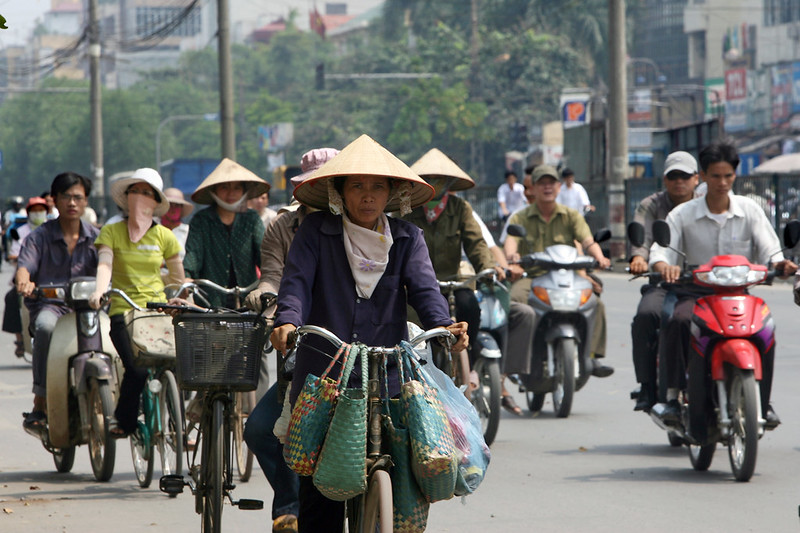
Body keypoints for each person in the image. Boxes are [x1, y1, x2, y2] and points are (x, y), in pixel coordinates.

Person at [270, 134, 468, 533]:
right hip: (324, 373)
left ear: (392, 192)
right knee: (319, 498)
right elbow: (295, 284)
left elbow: (426, 290)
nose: (367, 196)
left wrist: (444, 326)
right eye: (357, 186)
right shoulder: (314, 232)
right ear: (339, 192)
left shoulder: (408, 238)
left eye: (377, 186)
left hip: (388, 372)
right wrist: (287, 321)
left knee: (400, 473)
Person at [649, 141, 796, 430]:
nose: (722, 183)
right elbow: (661, 251)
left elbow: (770, 250)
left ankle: (763, 402)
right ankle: (671, 396)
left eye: (728, 176)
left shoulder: (750, 210)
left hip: (737, 293)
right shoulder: (682, 215)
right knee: (678, 320)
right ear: (702, 176)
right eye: (715, 176)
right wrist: (663, 265)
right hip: (695, 292)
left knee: (765, 328)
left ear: (735, 176)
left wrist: (781, 265)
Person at [241, 147, 338, 533]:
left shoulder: (358, 224)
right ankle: (290, 506)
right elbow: (278, 277)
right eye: (309, 185)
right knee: (263, 429)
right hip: (298, 339)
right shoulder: (284, 227)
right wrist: (268, 301)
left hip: (350, 345)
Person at [88, 168, 183, 438]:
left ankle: (178, 425)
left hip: (158, 311)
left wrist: (178, 293)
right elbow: (105, 264)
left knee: (180, 366)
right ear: (126, 197)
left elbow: (177, 277)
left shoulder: (164, 235)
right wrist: (100, 290)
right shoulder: (112, 231)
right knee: (137, 370)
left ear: (155, 201)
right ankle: (125, 421)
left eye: (146, 193)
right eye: (134, 191)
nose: (139, 197)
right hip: (123, 309)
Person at [504, 165, 613, 379]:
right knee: (515, 300)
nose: (547, 187)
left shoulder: (571, 216)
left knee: (595, 301)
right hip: (532, 277)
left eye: (551, 183)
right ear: (532, 188)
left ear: (559, 187)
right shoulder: (521, 217)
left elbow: (587, 241)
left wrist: (599, 257)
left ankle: (592, 356)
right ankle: (517, 363)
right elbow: (510, 242)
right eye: (541, 183)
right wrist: (512, 258)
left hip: (567, 276)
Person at [402, 148, 503, 373]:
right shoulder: (406, 211)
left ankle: (472, 363)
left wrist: (487, 269)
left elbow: (476, 243)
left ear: (449, 182)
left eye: (440, 179)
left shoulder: (460, 209)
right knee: (410, 322)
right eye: (429, 179)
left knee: (470, 307)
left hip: (451, 283)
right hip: (415, 286)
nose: (435, 183)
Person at [16, 173, 99, 431]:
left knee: (114, 331)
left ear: (86, 202)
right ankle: (40, 401)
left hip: (88, 309)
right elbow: (24, 267)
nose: (72, 203)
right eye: (66, 196)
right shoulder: (38, 237)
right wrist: (24, 281)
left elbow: (112, 268)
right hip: (50, 306)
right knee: (44, 327)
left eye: (78, 197)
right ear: (54, 200)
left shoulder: (99, 238)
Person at [629, 151, 699, 411]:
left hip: (707, 282)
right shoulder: (651, 204)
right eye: (673, 176)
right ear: (665, 180)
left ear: (696, 179)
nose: (679, 181)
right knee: (647, 315)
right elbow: (643, 239)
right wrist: (639, 258)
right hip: (664, 281)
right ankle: (648, 386)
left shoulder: (708, 203)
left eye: (685, 176)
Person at [183, 158, 268, 308]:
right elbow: (194, 254)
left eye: (237, 188)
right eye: (224, 188)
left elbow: (263, 253)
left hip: (248, 297)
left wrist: (271, 279)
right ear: (214, 191)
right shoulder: (201, 220)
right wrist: (187, 277)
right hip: (210, 297)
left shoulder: (251, 219)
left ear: (243, 191)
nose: (231, 193)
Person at [3, 197, 51, 357]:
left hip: (52, 277)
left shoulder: (54, 229)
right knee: (12, 298)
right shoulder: (21, 232)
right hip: (27, 276)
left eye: (41, 210)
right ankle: (20, 339)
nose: (38, 213)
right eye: (35, 210)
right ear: (28, 213)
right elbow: (14, 253)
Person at [160, 187, 193, 260]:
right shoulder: (153, 227)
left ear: (181, 208)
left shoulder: (188, 232)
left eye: (177, 205)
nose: (173, 209)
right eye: (170, 205)